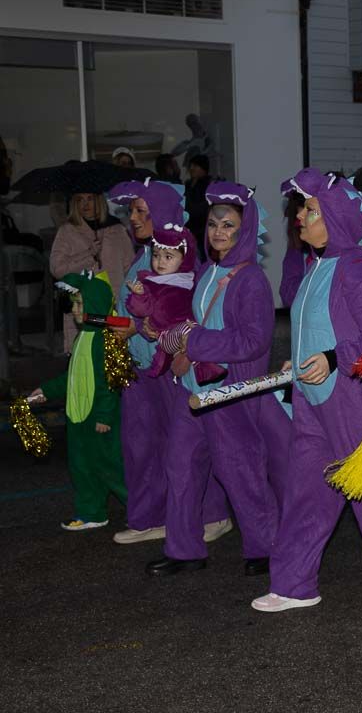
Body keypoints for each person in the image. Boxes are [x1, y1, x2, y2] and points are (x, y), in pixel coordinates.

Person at [255, 169, 362, 612]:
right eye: (301, 209)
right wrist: (302, 355)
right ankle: (293, 582)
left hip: (349, 396)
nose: (299, 218)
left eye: (310, 210)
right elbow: (313, 326)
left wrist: (332, 358)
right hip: (313, 398)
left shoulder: (353, 269)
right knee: (306, 490)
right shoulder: (316, 267)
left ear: (333, 216)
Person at [146, 182, 288, 577]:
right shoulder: (207, 270)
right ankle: (184, 549)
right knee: (179, 465)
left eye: (228, 225)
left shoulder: (251, 280)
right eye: (212, 224)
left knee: (240, 470)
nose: (219, 232)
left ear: (245, 230)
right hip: (192, 388)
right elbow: (196, 319)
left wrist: (195, 340)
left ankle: (268, 545)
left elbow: (254, 342)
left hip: (229, 394)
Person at [106, 179, 231, 546]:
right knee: (140, 443)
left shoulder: (180, 257)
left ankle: (212, 513)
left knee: (187, 445)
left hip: (168, 367)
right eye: (132, 211)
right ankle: (150, 516)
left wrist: (142, 330)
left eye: (142, 211)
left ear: (162, 213)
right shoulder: (143, 256)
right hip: (140, 368)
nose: (134, 217)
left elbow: (186, 315)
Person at [29, 273, 126, 531]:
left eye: (81, 304)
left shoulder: (104, 340)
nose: (75, 310)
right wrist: (46, 390)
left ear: (95, 305)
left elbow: (110, 381)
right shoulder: (82, 336)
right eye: (74, 304)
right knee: (82, 468)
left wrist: (105, 416)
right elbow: (71, 376)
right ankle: (91, 512)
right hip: (78, 417)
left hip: (98, 418)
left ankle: (142, 511)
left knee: (111, 468)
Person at [123, 224, 224, 384]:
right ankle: (200, 365)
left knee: (193, 331)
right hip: (166, 335)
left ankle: (187, 359)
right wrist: (139, 294)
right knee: (189, 332)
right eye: (156, 255)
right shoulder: (151, 283)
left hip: (183, 330)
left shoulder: (190, 278)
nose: (160, 261)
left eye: (168, 257)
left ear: (184, 259)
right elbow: (140, 310)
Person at [49, 191, 134, 353]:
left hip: (113, 307)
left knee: (113, 365)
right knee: (85, 363)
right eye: (80, 200)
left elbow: (129, 269)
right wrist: (89, 254)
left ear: (99, 200)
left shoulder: (116, 229)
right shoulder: (67, 231)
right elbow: (57, 269)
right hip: (83, 311)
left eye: (90, 199)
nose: (85, 204)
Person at [184, 154, 212, 247]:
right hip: (190, 229)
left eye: (195, 166)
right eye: (190, 166)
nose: (191, 168)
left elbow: (202, 209)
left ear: (203, 168)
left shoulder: (208, 186)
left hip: (202, 230)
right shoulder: (188, 185)